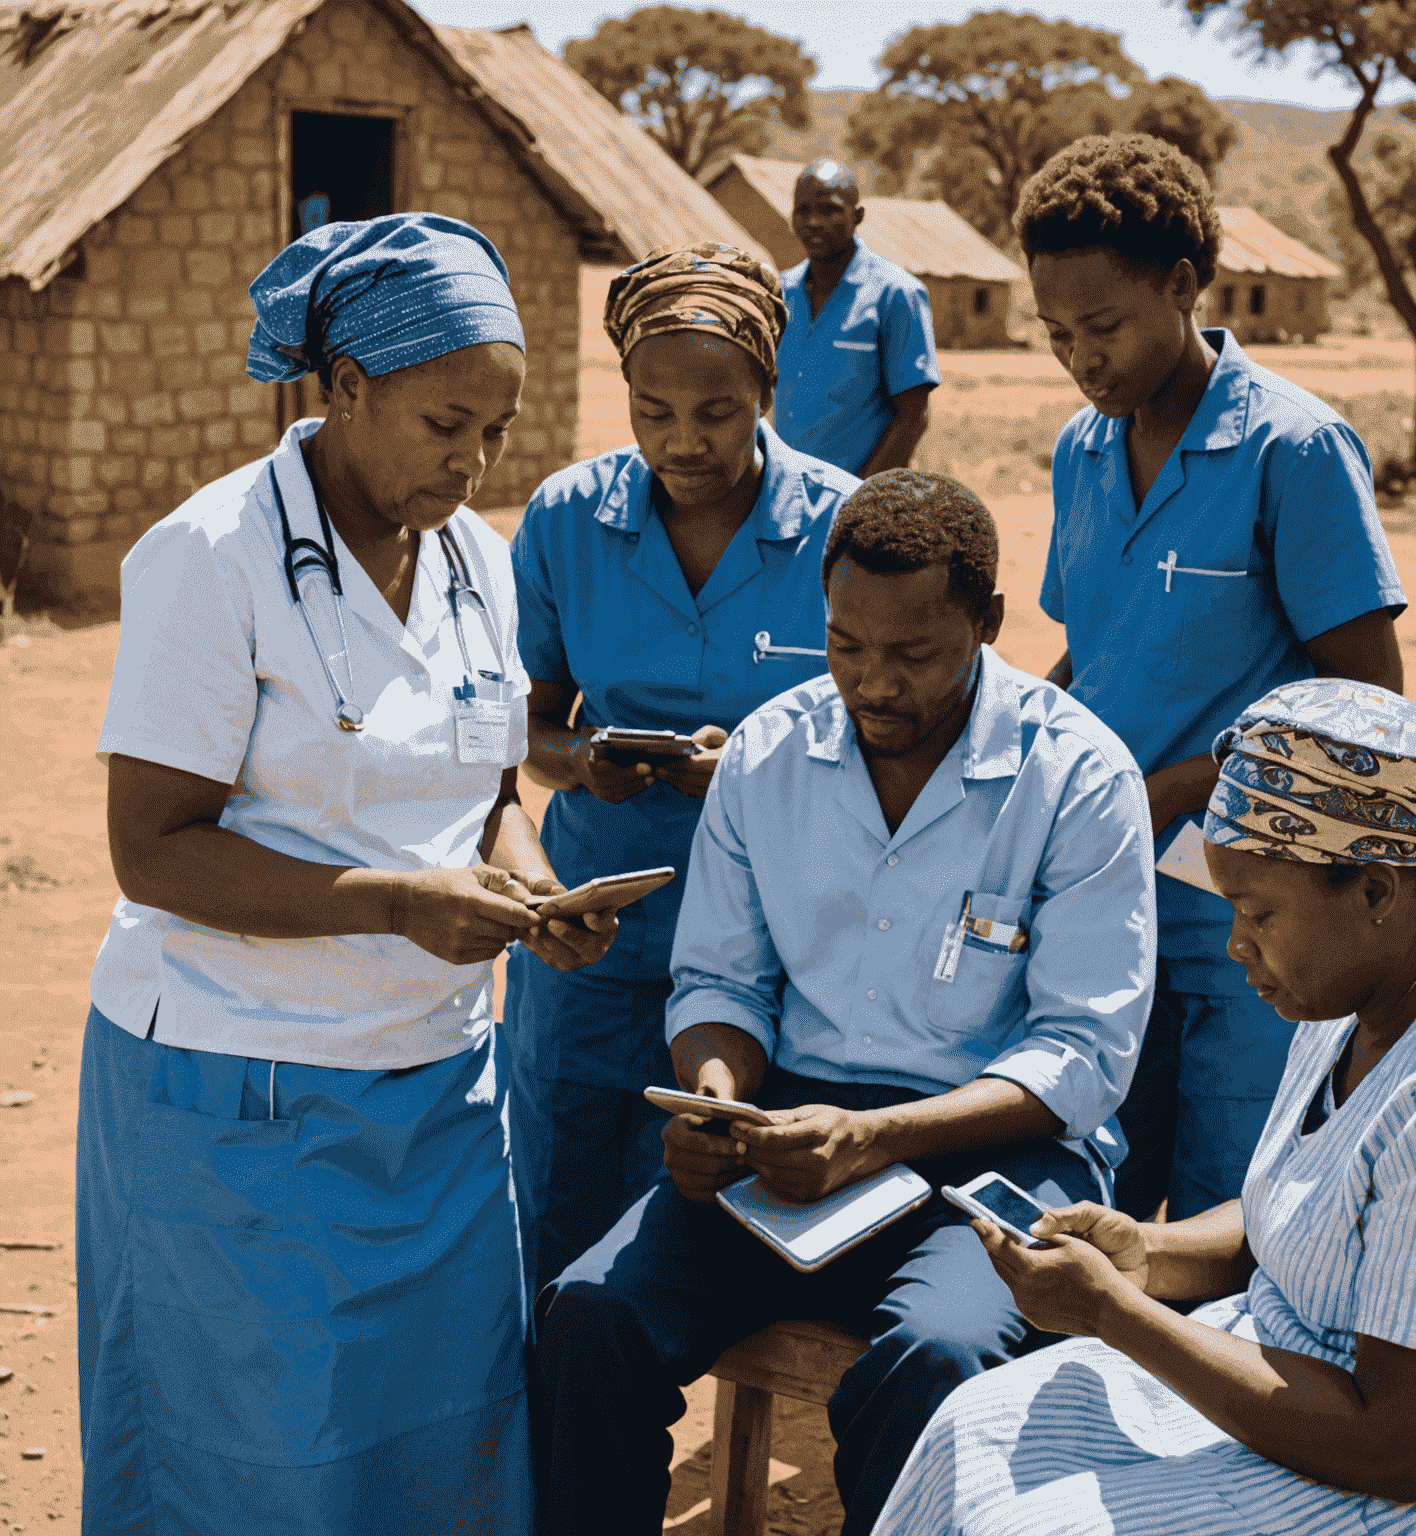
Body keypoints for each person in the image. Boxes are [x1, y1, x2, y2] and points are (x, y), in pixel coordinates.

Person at [76, 213, 618, 1535]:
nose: (475, 459)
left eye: (495, 430)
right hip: (241, 1097)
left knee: (439, 1446)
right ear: (346, 388)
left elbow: (487, 798)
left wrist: (531, 890)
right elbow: (150, 849)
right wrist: (393, 906)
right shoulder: (214, 559)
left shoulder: (477, 566)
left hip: (433, 1097)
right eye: (445, 425)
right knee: (256, 1462)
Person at [537, 471, 1158, 1536]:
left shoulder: (1080, 778)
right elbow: (721, 982)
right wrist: (717, 1103)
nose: (872, 684)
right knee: (590, 1318)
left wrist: (879, 1136)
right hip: (790, 1136)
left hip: (996, 1147)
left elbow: (1083, 1053)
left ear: (988, 624)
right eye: (844, 645)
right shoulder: (768, 756)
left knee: (938, 1363)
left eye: (914, 656)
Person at [871, 678, 1416, 1536]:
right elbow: (1305, 1223)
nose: (1235, 945)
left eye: (1258, 913)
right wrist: (1144, 1252)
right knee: (976, 1428)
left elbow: (1401, 1450)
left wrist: (1115, 1314)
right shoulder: (1365, 997)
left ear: (1375, 893)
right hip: (1296, 1378)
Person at [1018, 133, 1409, 1221]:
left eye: (1104, 328)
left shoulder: (1295, 449)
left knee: (1230, 1205)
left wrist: (1187, 787)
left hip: (1260, 913)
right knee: (1095, 1185)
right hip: (1106, 890)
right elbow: (1097, 650)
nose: (1082, 361)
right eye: (1057, 337)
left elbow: (1372, 709)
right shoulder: (1080, 452)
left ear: (1184, 284)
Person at [506, 241, 861, 1290]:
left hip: (775, 947)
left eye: (715, 411)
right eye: (651, 410)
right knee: (562, 1223)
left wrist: (755, 767)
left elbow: (895, 738)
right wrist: (581, 760)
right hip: (591, 937)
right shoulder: (567, 520)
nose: (681, 440)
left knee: (728, 1244)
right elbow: (522, 728)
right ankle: (575, 1455)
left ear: (768, 387)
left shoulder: (843, 528)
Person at [773, 158, 942, 476]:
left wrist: (860, 499)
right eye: (803, 210)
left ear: (858, 216)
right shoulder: (780, 294)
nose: (813, 222)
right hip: (785, 496)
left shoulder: (895, 295)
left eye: (829, 210)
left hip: (854, 497)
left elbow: (912, 418)